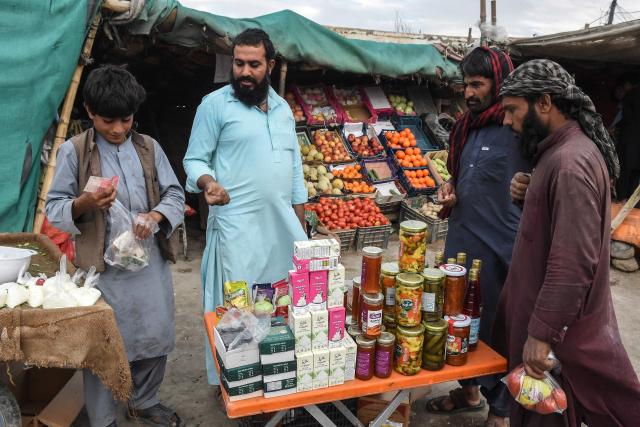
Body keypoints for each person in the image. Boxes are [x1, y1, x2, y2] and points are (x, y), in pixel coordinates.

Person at [495, 59, 640, 426]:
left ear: (544, 102)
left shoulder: (571, 163)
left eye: (512, 110)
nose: (507, 121)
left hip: (558, 338)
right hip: (548, 327)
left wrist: (541, 335)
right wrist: (531, 194)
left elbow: (572, 265)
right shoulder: (557, 154)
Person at [46, 65, 185, 427]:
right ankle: (103, 418)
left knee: (156, 335)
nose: (119, 129)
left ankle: (144, 400)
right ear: (90, 112)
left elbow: (174, 193)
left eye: (126, 119)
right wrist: (84, 204)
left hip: (148, 263)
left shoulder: (149, 148)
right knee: (103, 346)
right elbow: (54, 206)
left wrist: (154, 217)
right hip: (101, 272)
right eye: (109, 120)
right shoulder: (73, 152)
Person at [183, 28, 307, 389]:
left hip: (281, 232)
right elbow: (194, 159)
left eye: (254, 64)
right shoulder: (215, 105)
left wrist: (301, 237)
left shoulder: (283, 110)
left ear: (270, 65)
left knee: (279, 308)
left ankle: (275, 380)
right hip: (237, 231)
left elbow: (296, 175)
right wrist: (208, 183)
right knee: (238, 312)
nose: (245, 72)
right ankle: (236, 384)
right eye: (239, 63)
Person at [427, 47, 531, 427]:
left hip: (504, 249)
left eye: (477, 84)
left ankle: (501, 409)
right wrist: (450, 189)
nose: (468, 93)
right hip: (463, 241)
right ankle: (470, 390)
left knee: (500, 329)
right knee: (459, 318)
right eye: (465, 85)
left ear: (499, 82)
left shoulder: (519, 128)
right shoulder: (466, 127)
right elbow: (464, 176)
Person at [615, 74, 640, 199]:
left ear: (628, 84)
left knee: (624, 171)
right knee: (636, 174)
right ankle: (633, 200)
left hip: (628, 141)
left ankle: (622, 198)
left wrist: (616, 127)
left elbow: (627, 118)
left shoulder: (630, 95)